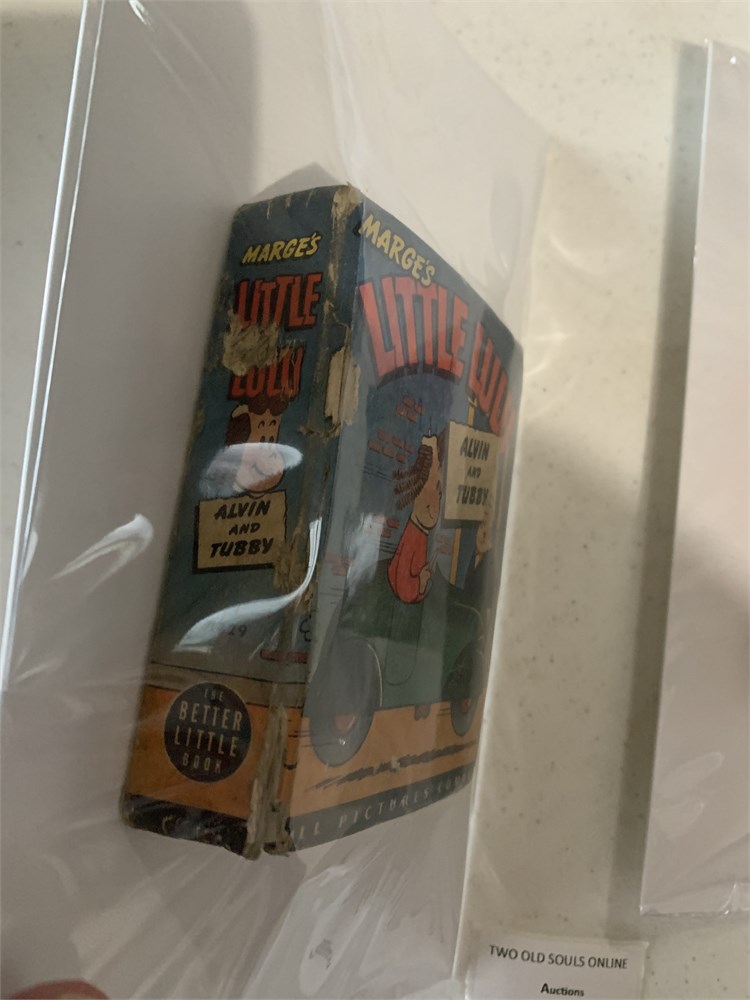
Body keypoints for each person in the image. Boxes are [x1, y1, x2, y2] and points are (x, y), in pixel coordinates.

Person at [387, 432, 444, 604]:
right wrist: (421, 582)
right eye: (435, 489)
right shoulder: (413, 536)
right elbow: (402, 586)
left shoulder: (419, 534)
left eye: (439, 492)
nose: (437, 502)